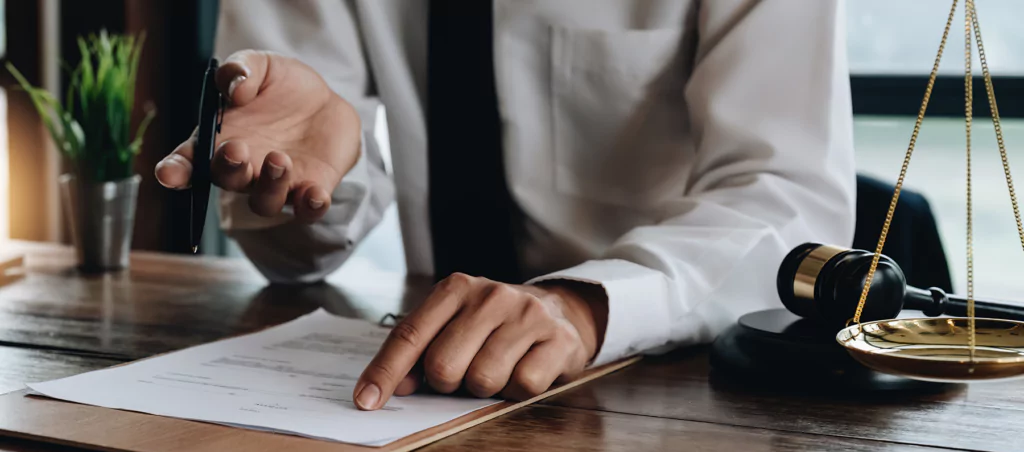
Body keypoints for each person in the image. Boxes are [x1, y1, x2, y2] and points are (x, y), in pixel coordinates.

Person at [155, 0, 855, 411]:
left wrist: (584, 305)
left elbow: (791, 193)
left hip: (665, 391)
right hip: (418, 389)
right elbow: (289, 251)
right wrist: (306, 182)